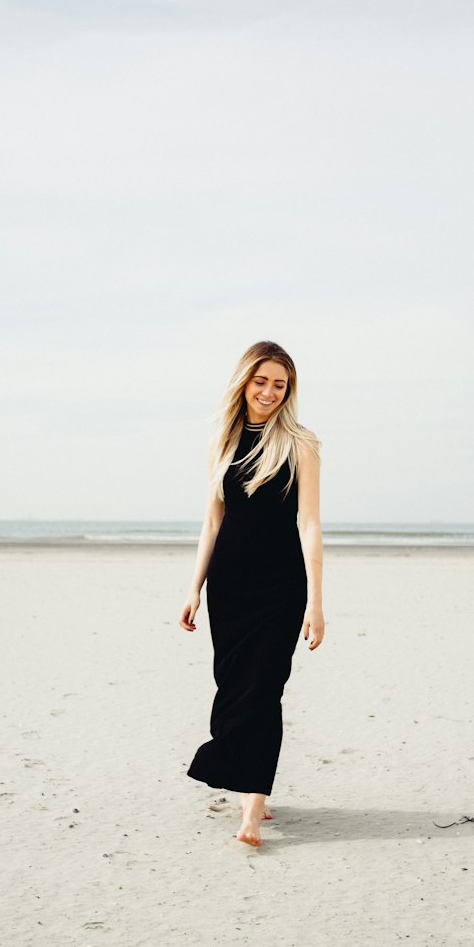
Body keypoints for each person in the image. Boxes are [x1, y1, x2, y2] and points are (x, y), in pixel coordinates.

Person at [179, 340, 324, 847]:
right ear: (245, 382)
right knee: (234, 687)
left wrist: (317, 602)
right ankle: (248, 788)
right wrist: (194, 587)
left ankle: (252, 808)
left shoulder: (301, 444)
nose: (269, 392)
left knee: (265, 689)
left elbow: (309, 524)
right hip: (230, 585)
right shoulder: (225, 441)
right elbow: (212, 519)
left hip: (281, 587)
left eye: (279, 384)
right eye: (261, 381)